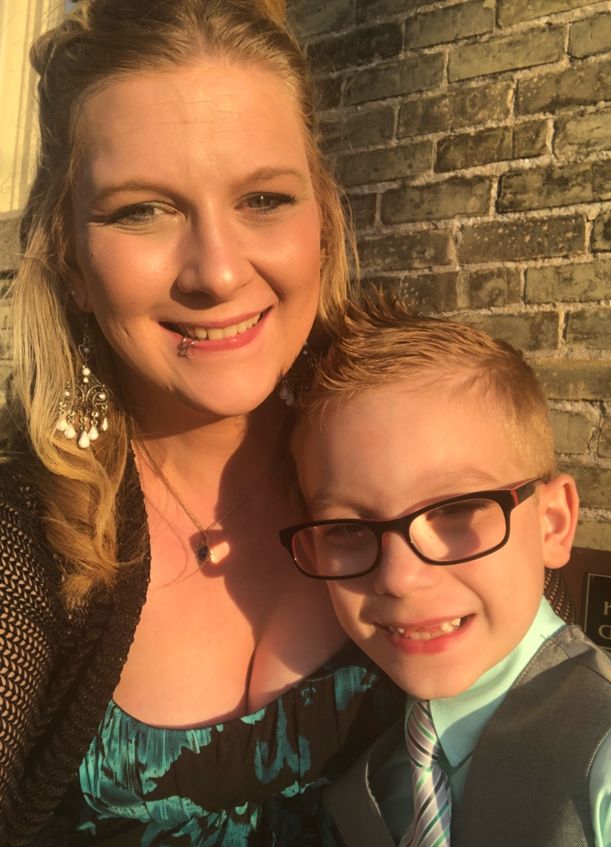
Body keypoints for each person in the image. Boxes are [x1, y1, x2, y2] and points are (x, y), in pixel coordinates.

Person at [0, 2, 405, 844]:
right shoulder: (23, 529)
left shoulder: (419, 455)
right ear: (70, 257)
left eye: (264, 198)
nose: (217, 272)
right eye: (143, 210)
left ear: (322, 224)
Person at [280, 298, 611, 847]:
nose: (399, 577)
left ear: (552, 523)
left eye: (455, 510)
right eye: (346, 529)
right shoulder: (364, 752)